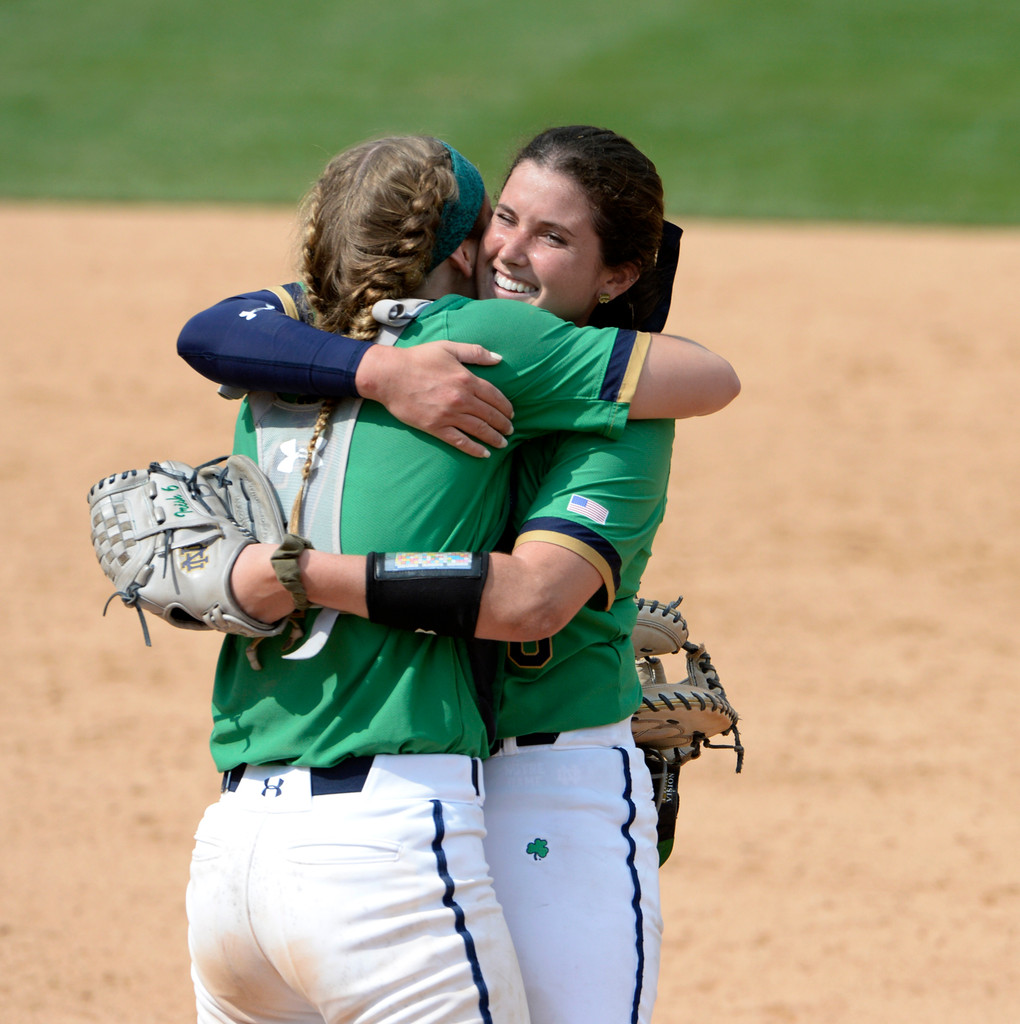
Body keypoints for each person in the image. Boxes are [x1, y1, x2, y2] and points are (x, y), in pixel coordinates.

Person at [181, 127, 738, 1023]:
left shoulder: (622, 414)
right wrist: (383, 370)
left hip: (544, 787)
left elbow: (538, 598)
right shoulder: (405, 347)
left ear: (619, 275)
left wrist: (289, 573)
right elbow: (214, 330)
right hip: (419, 801)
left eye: (551, 237)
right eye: (502, 221)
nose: (510, 252)